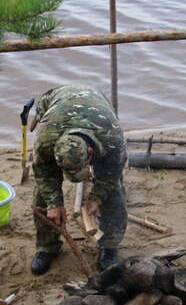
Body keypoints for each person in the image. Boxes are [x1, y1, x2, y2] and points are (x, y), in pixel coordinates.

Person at [29, 84, 128, 274]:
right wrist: (53, 203)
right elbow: (43, 172)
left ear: (90, 152)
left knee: (113, 191)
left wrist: (96, 197)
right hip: (55, 100)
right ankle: (46, 247)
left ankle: (109, 246)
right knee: (43, 195)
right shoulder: (47, 138)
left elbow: (112, 173)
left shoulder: (111, 137)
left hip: (97, 107)